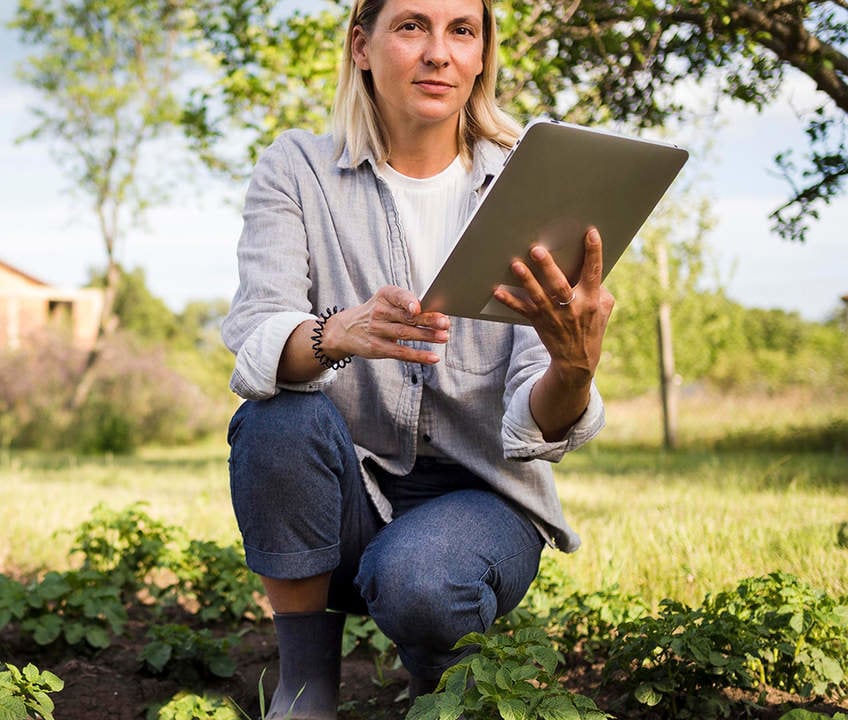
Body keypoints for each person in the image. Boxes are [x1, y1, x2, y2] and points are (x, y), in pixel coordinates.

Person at [221, 0, 615, 717]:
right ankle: (305, 686)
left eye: (462, 30)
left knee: (422, 579)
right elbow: (257, 334)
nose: (439, 53)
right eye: (412, 26)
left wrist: (574, 369)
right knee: (272, 416)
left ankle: (442, 686)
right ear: (361, 45)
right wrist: (335, 333)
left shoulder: (533, 186)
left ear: (482, 55)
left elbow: (541, 419)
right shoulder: (298, 170)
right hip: (342, 495)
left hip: (480, 500)